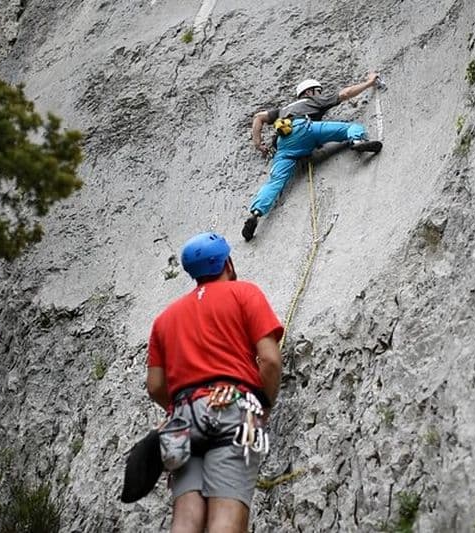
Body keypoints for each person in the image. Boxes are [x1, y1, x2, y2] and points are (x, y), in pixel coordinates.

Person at [146, 232, 283, 532]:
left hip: (180, 419)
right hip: (233, 408)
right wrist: (263, 403)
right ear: (229, 264)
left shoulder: (164, 319)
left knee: (186, 517)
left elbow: (155, 385)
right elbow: (270, 360)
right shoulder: (245, 293)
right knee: (226, 515)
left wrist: (185, 405)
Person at [242, 72, 384, 241]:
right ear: (309, 92)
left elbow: (258, 117)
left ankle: (256, 213)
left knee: (275, 182)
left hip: (284, 145)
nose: (320, 94)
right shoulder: (312, 101)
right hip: (305, 129)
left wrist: (258, 144)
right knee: (350, 128)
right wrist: (368, 82)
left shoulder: (281, 111)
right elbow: (346, 93)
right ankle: (356, 141)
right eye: (318, 91)